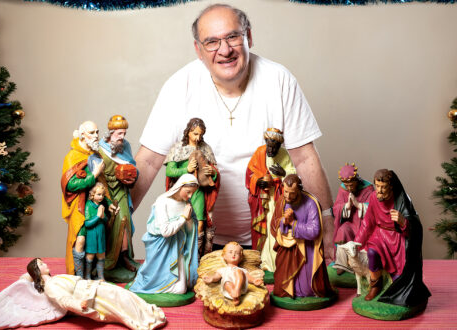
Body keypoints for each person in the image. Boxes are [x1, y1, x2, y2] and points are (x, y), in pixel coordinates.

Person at [131, 3, 335, 263]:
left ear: (248, 36)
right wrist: (120, 220)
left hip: (274, 235)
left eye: (232, 37)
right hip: (197, 236)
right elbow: (148, 162)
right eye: (212, 42)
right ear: (198, 50)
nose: (224, 50)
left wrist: (327, 221)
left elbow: (304, 158)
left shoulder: (279, 80)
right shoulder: (179, 86)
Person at [354, 169, 431, 306]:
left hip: (397, 236)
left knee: (402, 269)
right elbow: (367, 223)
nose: (380, 191)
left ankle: (398, 287)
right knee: (372, 253)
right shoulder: (373, 198)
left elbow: (415, 224)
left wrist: (403, 222)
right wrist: (357, 242)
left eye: (383, 187)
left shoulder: (401, 199)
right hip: (379, 235)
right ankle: (375, 286)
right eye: (377, 186)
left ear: (391, 186)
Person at [26, 258, 166, 329]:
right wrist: (78, 304)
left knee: (121, 293)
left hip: (90, 286)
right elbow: (63, 300)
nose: (45, 264)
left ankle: (147, 312)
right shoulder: (50, 286)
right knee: (118, 298)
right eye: (41, 264)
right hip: (87, 296)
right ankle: (142, 321)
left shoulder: (55, 278)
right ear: (37, 271)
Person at [129, 174, 200, 294]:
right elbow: (165, 231)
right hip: (161, 247)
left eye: (192, 193)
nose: (190, 196)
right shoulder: (163, 201)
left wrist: (189, 221)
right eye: (188, 192)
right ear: (179, 187)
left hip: (177, 248)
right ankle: (152, 283)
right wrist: (183, 218)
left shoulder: (185, 204)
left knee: (181, 289)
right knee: (174, 287)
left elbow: (191, 228)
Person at [88, 115, 138, 275]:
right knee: (106, 225)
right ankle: (108, 261)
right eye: (119, 134)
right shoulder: (100, 149)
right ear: (110, 133)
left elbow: (133, 167)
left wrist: (131, 178)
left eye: (124, 133)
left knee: (124, 222)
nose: (122, 137)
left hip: (121, 191)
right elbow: (94, 171)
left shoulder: (125, 147)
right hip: (105, 192)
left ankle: (124, 256)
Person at [271, 174, 333, 299]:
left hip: (307, 250)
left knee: (306, 288)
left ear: (299, 190)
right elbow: (274, 225)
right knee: (281, 284)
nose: (288, 196)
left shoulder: (311, 204)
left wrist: (293, 223)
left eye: (292, 193)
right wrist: (283, 221)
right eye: (286, 192)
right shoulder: (282, 201)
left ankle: (305, 291)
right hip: (287, 247)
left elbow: (314, 231)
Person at [164, 118, 220, 257]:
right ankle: (181, 255)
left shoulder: (205, 148)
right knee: (181, 221)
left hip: (198, 190)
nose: (198, 138)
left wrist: (212, 173)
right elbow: (170, 172)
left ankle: (197, 256)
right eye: (195, 134)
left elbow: (214, 172)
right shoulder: (178, 148)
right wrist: (186, 169)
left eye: (200, 134)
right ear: (188, 132)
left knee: (200, 222)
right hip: (181, 191)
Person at [61, 121, 108, 276]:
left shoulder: (95, 155)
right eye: (92, 132)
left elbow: (101, 183)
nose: (96, 136)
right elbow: (71, 185)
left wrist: (107, 200)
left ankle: (92, 274)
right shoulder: (72, 157)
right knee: (79, 240)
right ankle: (77, 275)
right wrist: (94, 174)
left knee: (95, 239)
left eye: (97, 132)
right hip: (79, 205)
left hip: (95, 203)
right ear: (82, 135)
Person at [246, 128, 296, 272]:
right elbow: (250, 174)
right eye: (269, 145)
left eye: (275, 147)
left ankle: (279, 262)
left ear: (280, 146)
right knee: (265, 228)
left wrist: (284, 174)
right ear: (266, 143)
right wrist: (258, 181)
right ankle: (264, 261)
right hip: (263, 201)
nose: (271, 149)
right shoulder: (260, 152)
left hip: (279, 198)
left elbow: (293, 178)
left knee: (278, 227)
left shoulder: (285, 154)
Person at [332, 163, 374, 275]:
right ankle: (342, 263)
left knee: (367, 239)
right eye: (347, 185)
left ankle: (360, 264)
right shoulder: (343, 189)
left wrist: (358, 205)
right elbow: (336, 208)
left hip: (365, 224)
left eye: (351, 185)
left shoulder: (368, 188)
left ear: (356, 180)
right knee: (342, 230)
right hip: (350, 223)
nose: (349, 188)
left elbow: (374, 208)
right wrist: (346, 206)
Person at [84, 182, 115, 280]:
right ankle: (88, 276)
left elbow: (105, 220)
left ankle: (101, 276)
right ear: (92, 195)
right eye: (98, 194)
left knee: (101, 256)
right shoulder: (89, 205)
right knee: (90, 256)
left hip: (101, 234)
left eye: (102, 195)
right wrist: (98, 216)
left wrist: (103, 216)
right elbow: (87, 223)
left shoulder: (102, 205)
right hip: (92, 235)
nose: (101, 197)